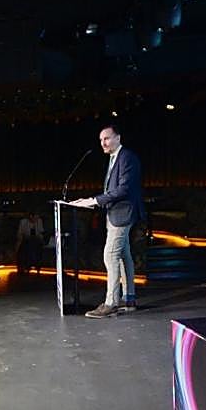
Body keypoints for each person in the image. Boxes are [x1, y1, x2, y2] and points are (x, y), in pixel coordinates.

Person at [71, 123, 144, 318]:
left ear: (118, 138)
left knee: (110, 255)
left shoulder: (127, 157)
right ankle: (129, 299)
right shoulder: (114, 158)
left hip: (123, 214)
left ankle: (111, 303)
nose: (103, 143)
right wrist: (91, 201)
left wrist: (93, 200)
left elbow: (123, 190)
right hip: (115, 213)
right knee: (123, 256)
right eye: (101, 140)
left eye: (107, 138)